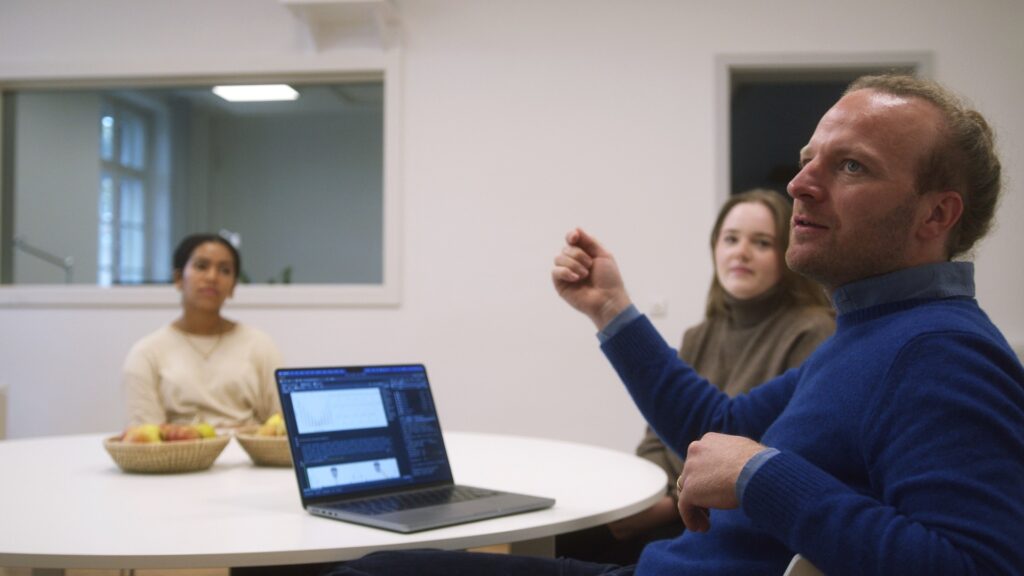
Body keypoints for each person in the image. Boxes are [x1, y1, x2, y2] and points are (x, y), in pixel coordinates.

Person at [321, 74, 1024, 576]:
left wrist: (760, 475)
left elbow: (976, 564)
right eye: (810, 159)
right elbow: (717, 419)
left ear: (936, 216)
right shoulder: (874, 330)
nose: (800, 185)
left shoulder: (940, 351)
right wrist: (610, 309)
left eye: (849, 166)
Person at [556, 189, 835, 565]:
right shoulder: (699, 334)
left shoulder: (813, 333)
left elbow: (764, 454)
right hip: (670, 503)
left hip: (712, 522)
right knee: (566, 531)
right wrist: (640, 498)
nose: (741, 252)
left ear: (786, 255)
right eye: (731, 239)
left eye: (762, 243)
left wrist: (668, 505)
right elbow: (658, 438)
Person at [122, 233, 282, 428]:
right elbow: (146, 433)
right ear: (179, 278)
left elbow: (280, 423)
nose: (212, 277)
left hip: (248, 456)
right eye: (201, 266)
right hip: (177, 455)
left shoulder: (258, 345)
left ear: (233, 286)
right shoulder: (147, 352)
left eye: (224, 270)